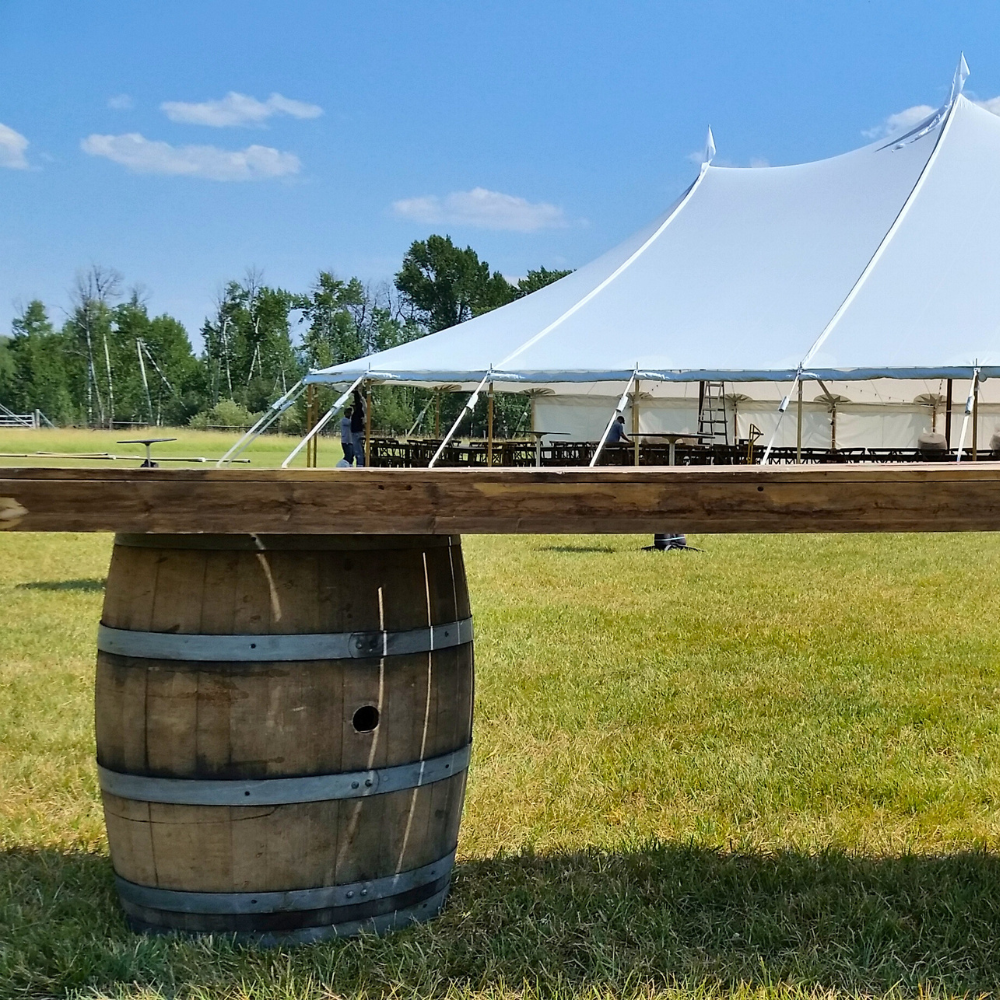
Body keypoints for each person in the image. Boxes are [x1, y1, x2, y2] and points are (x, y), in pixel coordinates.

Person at [351, 388, 366, 467]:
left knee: (358, 450)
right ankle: (359, 463)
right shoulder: (358, 413)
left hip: (357, 432)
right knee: (357, 450)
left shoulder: (359, 411)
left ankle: (360, 464)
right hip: (356, 432)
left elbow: (359, 403)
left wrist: (356, 393)